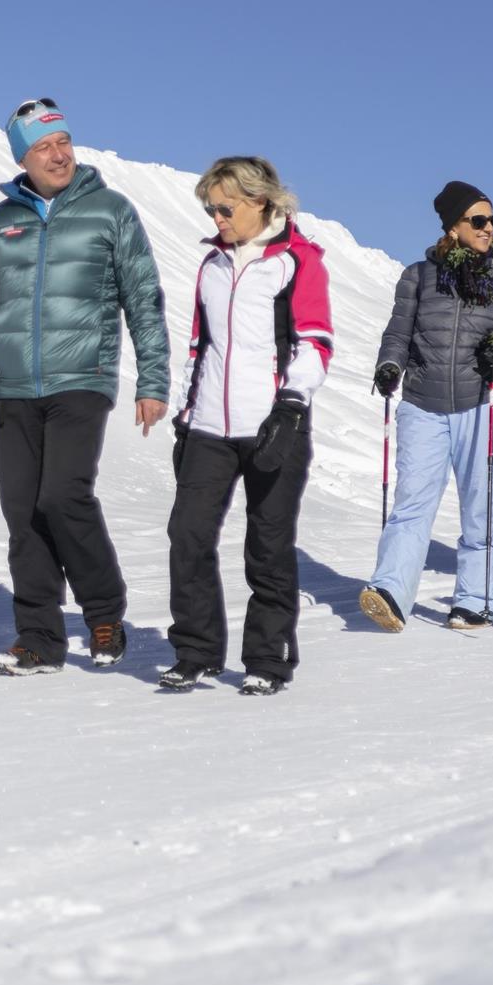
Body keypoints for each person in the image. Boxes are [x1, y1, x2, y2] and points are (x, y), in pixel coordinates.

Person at [0, 97, 170, 676]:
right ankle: (39, 638)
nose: (58, 154)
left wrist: (153, 379)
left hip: (83, 377)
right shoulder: (2, 222)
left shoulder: (110, 211)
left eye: (63, 141)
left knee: (62, 496)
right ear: (23, 156)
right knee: (23, 512)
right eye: (43, 146)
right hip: (16, 386)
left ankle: (104, 615)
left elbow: (143, 298)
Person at [162, 157, 334, 696]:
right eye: (211, 208)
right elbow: (199, 346)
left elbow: (315, 343)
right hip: (210, 424)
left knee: (267, 545)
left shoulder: (298, 262)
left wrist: (290, 405)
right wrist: (186, 417)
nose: (217, 217)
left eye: (225, 207)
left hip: (273, 423)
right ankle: (196, 651)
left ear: (260, 202)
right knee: (186, 536)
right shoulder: (211, 265)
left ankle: (267, 657)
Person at [359, 182, 493, 633]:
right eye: (478, 220)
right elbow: (397, 334)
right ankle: (392, 593)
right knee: (412, 503)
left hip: (483, 403)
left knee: (480, 505)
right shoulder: (418, 276)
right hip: (422, 403)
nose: (488, 228)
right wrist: (389, 365)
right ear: (453, 228)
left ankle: (475, 599)